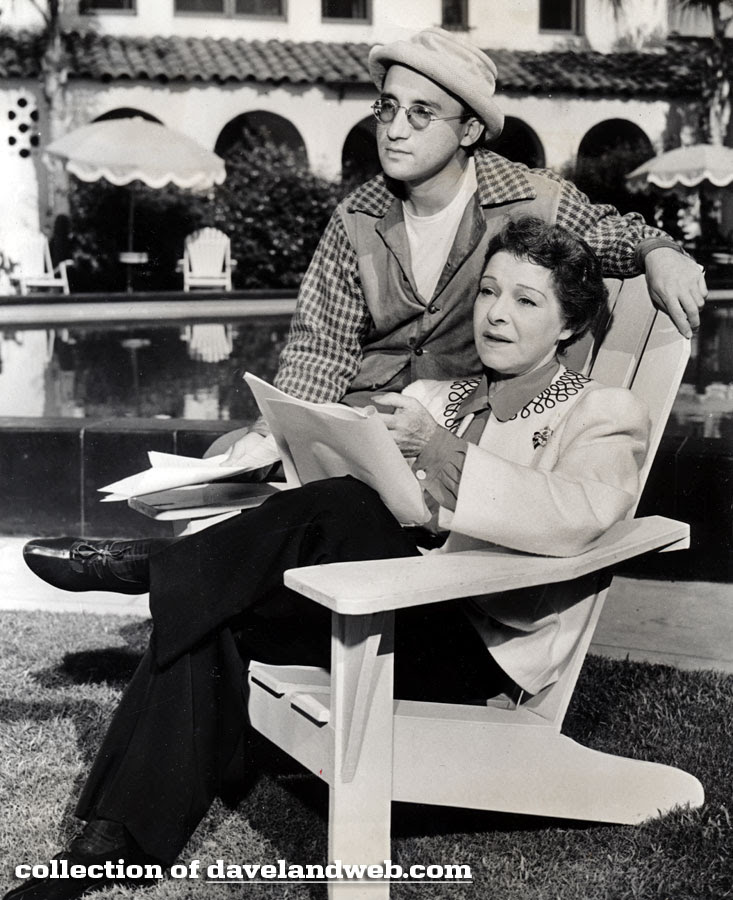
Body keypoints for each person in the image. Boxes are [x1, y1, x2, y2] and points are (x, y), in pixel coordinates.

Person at [9, 218, 650, 900]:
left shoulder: (599, 412)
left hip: (474, 644)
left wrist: (438, 451)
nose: (495, 313)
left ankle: (147, 565)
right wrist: (280, 447)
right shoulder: (436, 397)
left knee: (342, 507)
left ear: (567, 325)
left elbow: (578, 512)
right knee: (215, 611)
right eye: (489, 290)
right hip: (386, 604)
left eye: (525, 300)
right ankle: (113, 842)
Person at [211, 25, 703, 470]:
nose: (395, 129)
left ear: (469, 130)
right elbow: (321, 349)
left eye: (421, 113)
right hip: (364, 422)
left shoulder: (529, 198)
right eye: (388, 107)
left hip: (462, 431)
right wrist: (274, 433)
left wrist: (658, 252)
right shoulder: (356, 217)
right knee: (226, 457)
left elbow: (609, 232)